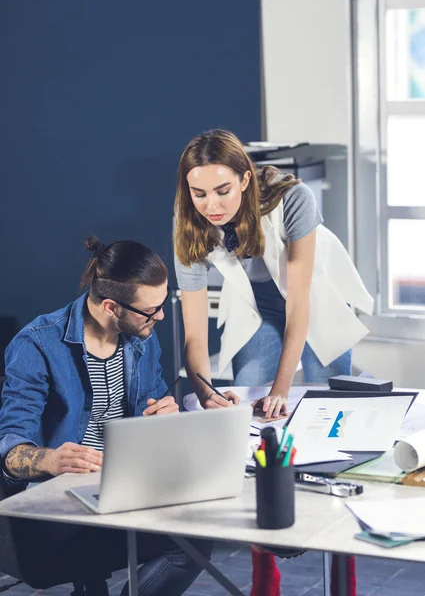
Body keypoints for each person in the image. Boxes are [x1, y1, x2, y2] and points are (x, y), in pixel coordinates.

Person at [173, 129, 373, 595]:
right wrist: (206, 395)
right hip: (258, 314)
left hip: (313, 308)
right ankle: (265, 563)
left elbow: (300, 305)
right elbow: (195, 334)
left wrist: (283, 389)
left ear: (245, 180)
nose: (211, 204)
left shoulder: (294, 199)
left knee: (337, 417)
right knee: (245, 410)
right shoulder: (190, 225)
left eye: (222, 190)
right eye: (198, 192)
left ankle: (345, 566)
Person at [0, 237, 212, 596]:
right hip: (60, 500)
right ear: (112, 306)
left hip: (126, 485)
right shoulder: (36, 344)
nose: (160, 317)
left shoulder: (141, 338)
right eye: (151, 310)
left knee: (195, 542)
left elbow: (154, 396)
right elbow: (10, 452)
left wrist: (167, 412)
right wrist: (50, 459)